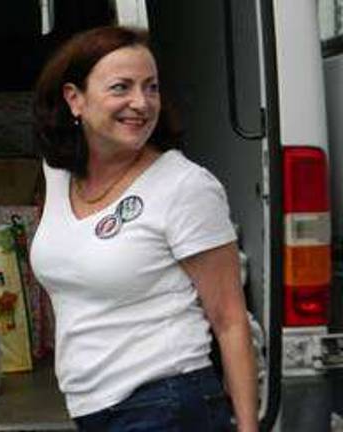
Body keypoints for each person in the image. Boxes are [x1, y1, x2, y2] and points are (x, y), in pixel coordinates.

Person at [30, 26, 258, 432]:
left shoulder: (184, 185)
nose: (141, 103)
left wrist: (246, 428)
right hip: (91, 406)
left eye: (151, 88)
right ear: (74, 99)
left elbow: (229, 319)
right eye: (122, 87)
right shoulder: (58, 174)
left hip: (167, 403)